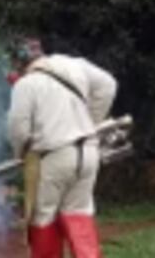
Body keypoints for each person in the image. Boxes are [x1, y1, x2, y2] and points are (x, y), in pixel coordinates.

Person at [6, 36, 118, 258]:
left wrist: (21, 154)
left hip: (53, 156)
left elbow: (18, 128)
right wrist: (90, 123)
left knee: (43, 217)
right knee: (79, 213)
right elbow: (108, 84)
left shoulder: (25, 84)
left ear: (18, 63)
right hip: (88, 152)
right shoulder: (73, 64)